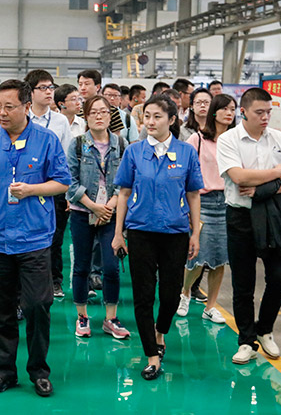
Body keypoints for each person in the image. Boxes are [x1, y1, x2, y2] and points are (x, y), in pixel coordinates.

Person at [0, 79, 71, 397]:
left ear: (26, 107)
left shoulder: (47, 140)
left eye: (9, 107)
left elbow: (62, 182)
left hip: (34, 238)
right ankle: (4, 371)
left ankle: (39, 370)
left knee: (37, 305)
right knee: (1, 309)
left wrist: (32, 189)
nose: (1, 112)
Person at [112, 94, 203, 380]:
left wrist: (195, 232)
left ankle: (160, 331)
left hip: (175, 233)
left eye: (157, 116)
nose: (150, 122)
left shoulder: (186, 152)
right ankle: (152, 354)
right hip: (140, 232)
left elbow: (193, 194)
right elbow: (123, 193)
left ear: (172, 120)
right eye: (147, 116)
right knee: (143, 294)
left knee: (170, 294)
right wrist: (118, 233)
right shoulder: (134, 151)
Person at [216, 87, 281, 364]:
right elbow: (239, 177)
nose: (265, 117)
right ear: (243, 112)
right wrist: (277, 173)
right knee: (243, 283)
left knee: (280, 277)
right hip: (241, 218)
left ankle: (264, 328)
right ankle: (246, 340)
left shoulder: (279, 138)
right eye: (260, 112)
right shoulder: (229, 140)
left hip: (274, 215)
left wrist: (262, 189)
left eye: (268, 112)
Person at [66, 95, 130, 340]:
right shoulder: (77, 145)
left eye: (103, 111)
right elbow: (70, 182)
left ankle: (110, 318)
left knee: (111, 267)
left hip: (111, 214)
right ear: (86, 116)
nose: (99, 116)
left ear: (110, 116)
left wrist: (109, 206)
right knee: (81, 266)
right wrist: (93, 206)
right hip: (82, 213)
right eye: (93, 112)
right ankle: (82, 316)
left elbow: (126, 182)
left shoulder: (121, 144)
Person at [176, 93, 237, 324]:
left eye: (233, 109)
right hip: (202, 202)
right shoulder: (197, 139)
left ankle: (210, 306)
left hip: (228, 202)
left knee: (221, 258)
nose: (229, 113)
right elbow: (184, 174)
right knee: (197, 256)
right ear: (214, 112)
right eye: (225, 109)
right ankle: (185, 292)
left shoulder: (235, 141)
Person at [25, 69, 73, 297]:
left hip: (54, 189)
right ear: (30, 92)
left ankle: (54, 281)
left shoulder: (60, 121)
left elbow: (66, 157)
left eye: (51, 87)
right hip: (27, 188)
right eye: (43, 88)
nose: (48, 92)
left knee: (55, 238)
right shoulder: (23, 118)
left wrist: (69, 193)